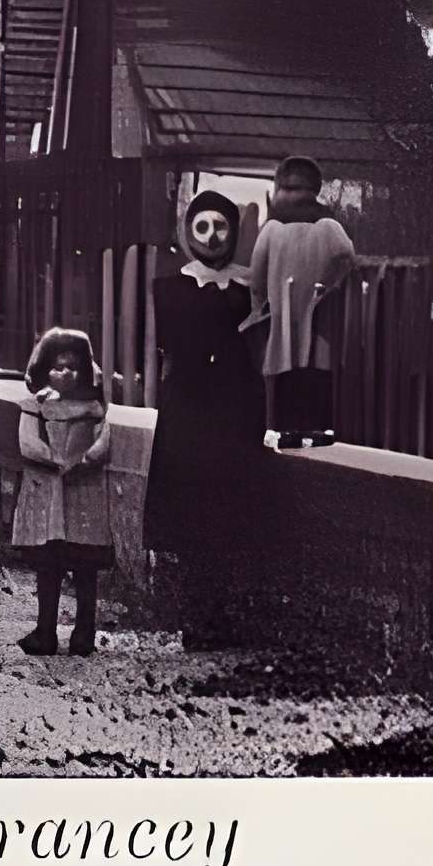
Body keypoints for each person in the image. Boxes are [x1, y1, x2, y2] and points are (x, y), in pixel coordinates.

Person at [143, 188, 262, 646]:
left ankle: (228, 617)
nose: (213, 237)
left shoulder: (251, 284)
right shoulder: (171, 286)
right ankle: (195, 616)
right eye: (203, 227)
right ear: (190, 233)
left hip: (234, 406)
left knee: (231, 510)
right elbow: (176, 341)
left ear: (233, 231)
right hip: (191, 408)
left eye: (221, 226)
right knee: (193, 512)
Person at [12, 326, 117, 656]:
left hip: (84, 492)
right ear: (45, 368)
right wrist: (54, 459)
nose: (66, 373)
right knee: (49, 568)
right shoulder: (36, 406)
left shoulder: (94, 408)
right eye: (58, 366)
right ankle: (45, 631)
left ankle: (84, 631)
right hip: (47, 493)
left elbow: (105, 441)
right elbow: (27, 442)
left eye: (73, 366)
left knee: (85, 569)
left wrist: (88, 458)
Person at [244, 156, 356, 447]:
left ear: (281, 187)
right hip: (319, 323)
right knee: (317, 374)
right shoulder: (329, 227)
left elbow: (256, 279)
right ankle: (318, 431)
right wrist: (328, 288)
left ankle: (287, 432)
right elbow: (347, 257)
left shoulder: (272, 230)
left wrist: (262, 304)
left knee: (284, 375)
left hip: (282, 320)